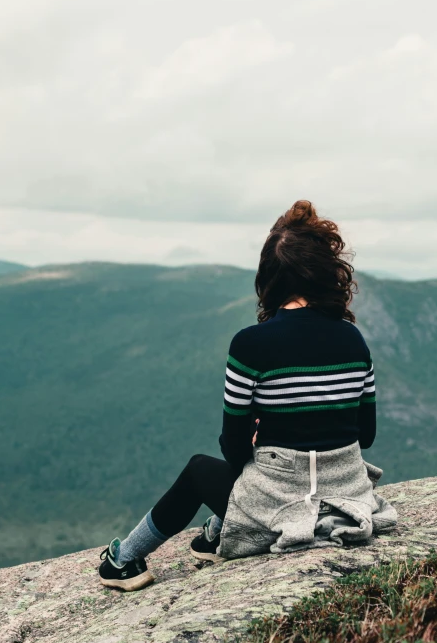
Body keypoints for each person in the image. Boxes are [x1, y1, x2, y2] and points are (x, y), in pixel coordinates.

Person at [98, 200, 397, 591]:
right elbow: (366, 434)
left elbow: (233, 450)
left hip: (279, 505)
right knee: (256, 463)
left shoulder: (250, 345)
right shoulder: (353, 339)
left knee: (198, 470)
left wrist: (262, 439)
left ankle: (123, 562)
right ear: (326, 273)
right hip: (346, 497)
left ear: (268, 278)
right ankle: (214, 537)